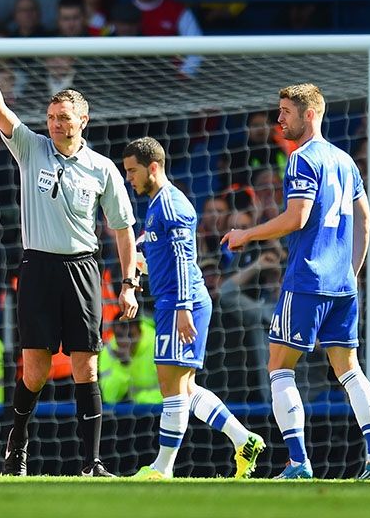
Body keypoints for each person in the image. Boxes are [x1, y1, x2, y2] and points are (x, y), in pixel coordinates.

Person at [0, 30, 139, 477]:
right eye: (51, 117)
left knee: (87, 367)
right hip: (38, 267)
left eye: (63, 118)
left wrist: (128, 284)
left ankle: (91, 463)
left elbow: (122, 229)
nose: (56, 124)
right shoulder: (31, 148)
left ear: (84, 119)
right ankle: (17, 445)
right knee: (35, 370)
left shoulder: (102, 169)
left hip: (82, 269)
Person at [221, 83, 370, 479]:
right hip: (341, 284)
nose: (279, 118)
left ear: (310, 114)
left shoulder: (302, 158)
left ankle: (298, 462)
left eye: (286, 111)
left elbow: (296, 217)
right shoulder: (345, 160)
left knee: (279, 367)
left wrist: (247, 234)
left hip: (307, 279)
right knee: (349, 370)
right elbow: (366, 221)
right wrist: (351, 272)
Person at [121, 137, 264, 480]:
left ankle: (162, 468)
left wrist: (183, 308)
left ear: (153, 167)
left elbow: (185, 261)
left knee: (171, 386)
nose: (129, 178)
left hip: (180, 303)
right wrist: (141, 266)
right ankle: (243, 439)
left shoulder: (171, 206)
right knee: (185, 388)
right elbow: (161, 256)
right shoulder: (158, 205)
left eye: (132, 171)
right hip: (174, 301)